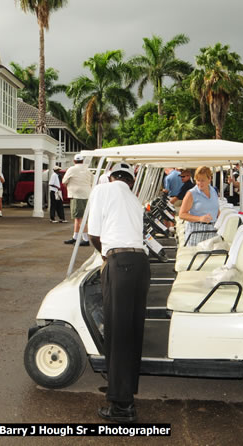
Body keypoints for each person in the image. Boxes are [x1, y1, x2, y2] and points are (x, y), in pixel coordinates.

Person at [86, 161, 149, 423]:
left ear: (110, 177)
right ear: (131, 181)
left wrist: (104, 255)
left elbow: (94, 233)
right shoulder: (135, 200)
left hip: (119, 263)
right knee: (132, 333)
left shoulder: (103, 190)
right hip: (140, 265)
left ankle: (122, 407)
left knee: (118, 334)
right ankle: (125, 393)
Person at [179, 166, 220, 246]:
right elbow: (182, 214)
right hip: (196, 231)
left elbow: (216, 209)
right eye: (198, 180)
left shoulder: (214, 191)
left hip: (213, 231)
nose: (200, 183)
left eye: (202, 180)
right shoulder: (191, 193)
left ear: (209, 179)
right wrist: (200, 218)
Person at [62, 154, 93, 246]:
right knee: (78, 217)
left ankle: (86, 239)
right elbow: (92, 182)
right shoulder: (88, 170)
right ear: (82, 161)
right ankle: (75, 237)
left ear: (74, 161)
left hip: (77, 196)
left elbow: (64, 181)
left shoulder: (72, 169)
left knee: (80, 218)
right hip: (86, 195)